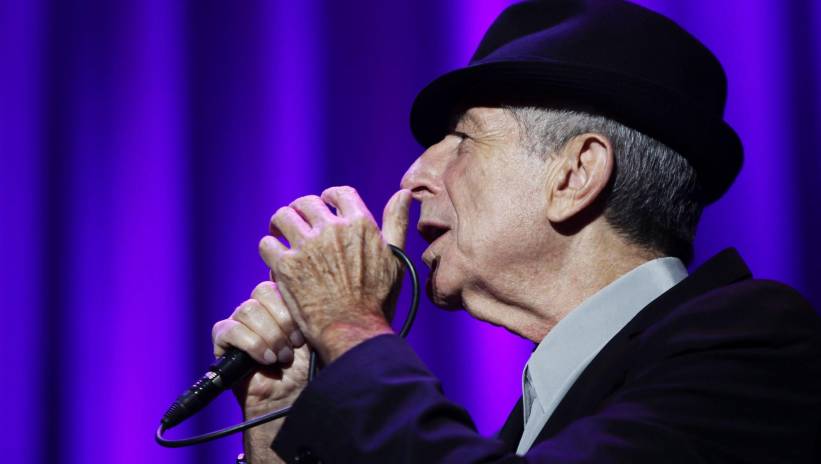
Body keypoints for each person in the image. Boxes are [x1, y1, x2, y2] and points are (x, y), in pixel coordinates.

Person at [211, 0, 821, 462]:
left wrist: (349, 327)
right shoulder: (535, 416)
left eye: (461, 138)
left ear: (575, 175)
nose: (414, 175)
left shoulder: (757, 347)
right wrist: (277, 424)